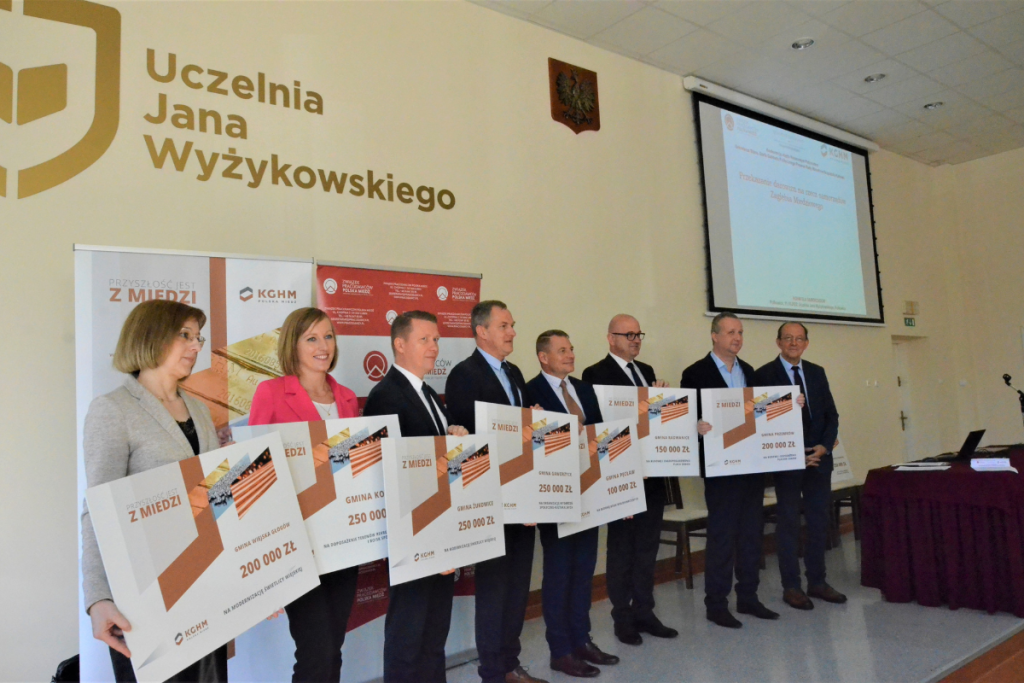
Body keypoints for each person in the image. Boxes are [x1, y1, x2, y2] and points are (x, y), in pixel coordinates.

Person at [82, 300, 227, 682]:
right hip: (144, 595)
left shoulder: (199, 411)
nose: (196, 345)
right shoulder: (113, 410)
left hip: (205, 585)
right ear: (150, 336)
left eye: (198, 337)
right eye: (185, 335)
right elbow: (97, 511)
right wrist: (98, 598)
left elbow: (216, 497)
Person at [248, 307, 360, 682]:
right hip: (298, 542)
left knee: (334, 646)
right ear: (292, 345)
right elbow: (255, 473)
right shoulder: (271, 393)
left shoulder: (347, 398)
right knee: (315, 650)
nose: (322, 346)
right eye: (311, 338)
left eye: (328, 336)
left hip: (344, 539)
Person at [362, 311, 468, 683]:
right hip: (414, 534)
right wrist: (431, 542)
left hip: (440, 526)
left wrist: (453, 435)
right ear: (400, 344)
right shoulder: (385, 396)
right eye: (425, 339)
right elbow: (392, 473)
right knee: (408, 633)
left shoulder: (429, 394)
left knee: (435, 631)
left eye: (436, 339)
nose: (434, 347)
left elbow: (435, 455)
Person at [445, 301, 545, 683]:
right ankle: (492, 671)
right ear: (481, 331)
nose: (512, 332)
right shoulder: (463, 375)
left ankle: (510, 663)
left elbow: (520, 430)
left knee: (518, 586)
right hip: (490, 498)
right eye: (504, 325)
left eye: (512, 325)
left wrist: (533, 420)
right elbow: (467, 437)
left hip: (523, 494)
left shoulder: (515, 372)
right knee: (495, 588)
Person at [581, 314, 678, 646]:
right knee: (622, 549)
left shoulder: (646, 371)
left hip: (651, 474)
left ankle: (645, 611)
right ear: (611, 338)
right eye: (629, 335)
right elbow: (598, 427)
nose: (636, 340)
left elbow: (650, 420)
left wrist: (661, 400)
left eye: (639, 334)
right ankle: (622, 617)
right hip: (619, 475)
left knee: (647, 547)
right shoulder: (595, 374)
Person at [526, 331, 618, 679]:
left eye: (571, 349)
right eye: (561, 350)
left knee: (583, 571)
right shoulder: (530, 392)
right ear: (543, 357)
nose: (570, 355)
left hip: (589, 491)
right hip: (555, 495)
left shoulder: (584, 388)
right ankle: (560, 650)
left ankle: (582, 640)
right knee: (559, 575)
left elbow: (600, 438)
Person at [680, 312, 778, 629]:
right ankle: (716, 604)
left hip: (751, 467)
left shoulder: (749, 371)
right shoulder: (695, 373)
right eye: (731, 332)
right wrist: (695, 425)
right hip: (721, 471)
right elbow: (684, 420)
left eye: (740, 332)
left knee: (751, 535)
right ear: (714, 335)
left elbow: (759, 414)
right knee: (722, 538)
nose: (737, 338)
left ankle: (748, 597)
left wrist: (789, 407)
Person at [755, 322, 844, 610]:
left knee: (819, 522)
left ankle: (817, 581)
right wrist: (794, 453)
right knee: (789, 524)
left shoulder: (817, 372)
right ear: (778, 342)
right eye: (788, 338)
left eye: (799, 339)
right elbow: (761, 422)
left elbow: (831, 415)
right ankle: (791, 586)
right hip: (786, 463)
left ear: (806, 343)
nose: (794, 343)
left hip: (819, 460)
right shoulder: (763, 375)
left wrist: (824, 447)